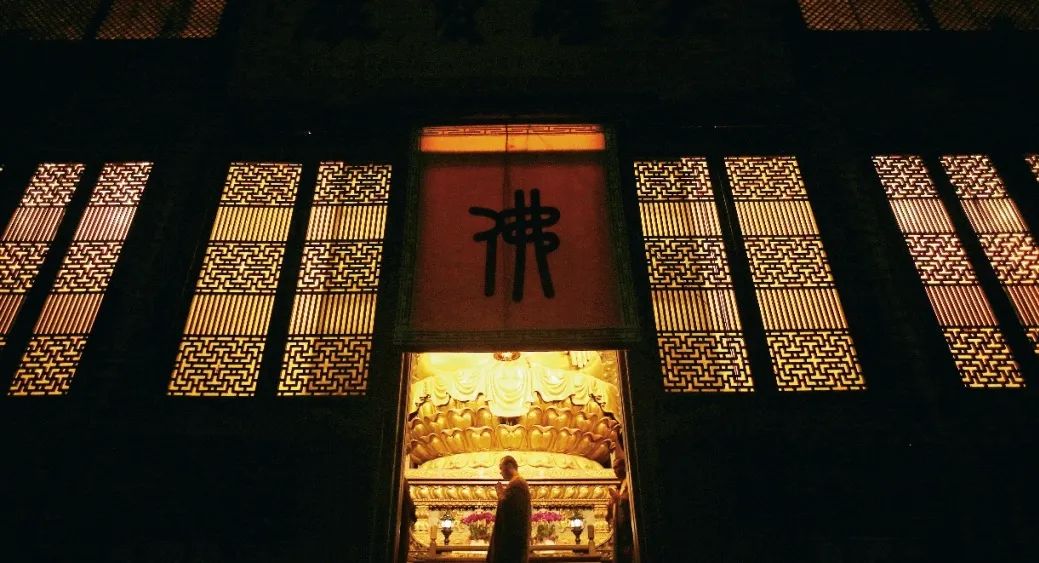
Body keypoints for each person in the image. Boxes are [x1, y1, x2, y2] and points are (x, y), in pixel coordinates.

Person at [487, 455, 531, 563]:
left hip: (513, 541)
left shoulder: (517, 483)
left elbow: (510, 512)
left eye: (501, 468)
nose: (500, 472)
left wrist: (500, 493)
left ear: (510, 466)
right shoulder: (516, 482)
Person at [607, 456, 634, 563]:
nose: (614, 470)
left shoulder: (630, 481)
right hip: (620, 527)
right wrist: (611, 506)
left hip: (628, 525)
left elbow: (631, 499)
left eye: (617, 467)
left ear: (624, 467)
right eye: (613, 468)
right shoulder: (621, 484)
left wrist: (618, 497)